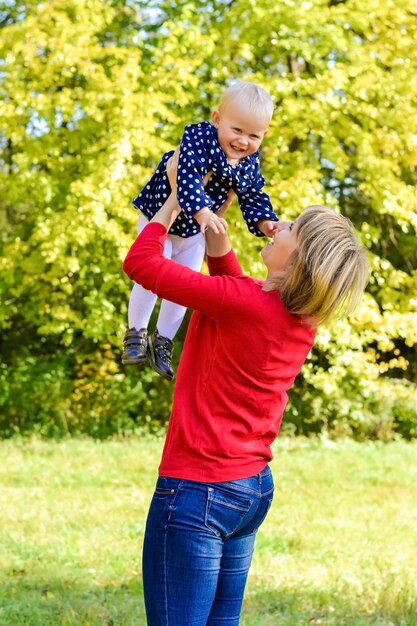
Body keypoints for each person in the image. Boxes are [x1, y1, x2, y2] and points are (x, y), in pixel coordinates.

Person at [122, 156, 369, 625]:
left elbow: (141, 262)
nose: (279, 224)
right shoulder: (297, 320)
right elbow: (234, 286)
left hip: (198, 491)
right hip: (248, 491)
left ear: (298, 260)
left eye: (291, 227)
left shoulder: (244, 304)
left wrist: (174, 199)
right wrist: (212, 219)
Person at [122, 81, 280, 381]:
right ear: (217, 119)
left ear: (264, 134)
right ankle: (136, 332)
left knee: (184, 285)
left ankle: (163, 341)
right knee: (153, 271)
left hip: (194, 229)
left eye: (253, 135)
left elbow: (253, 194)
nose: (243, 141)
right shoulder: (199, 137)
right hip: (163, 217)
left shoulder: (248, 162)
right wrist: (203, 210)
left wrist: (264, 222)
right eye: (237, 130)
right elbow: (188, 176)